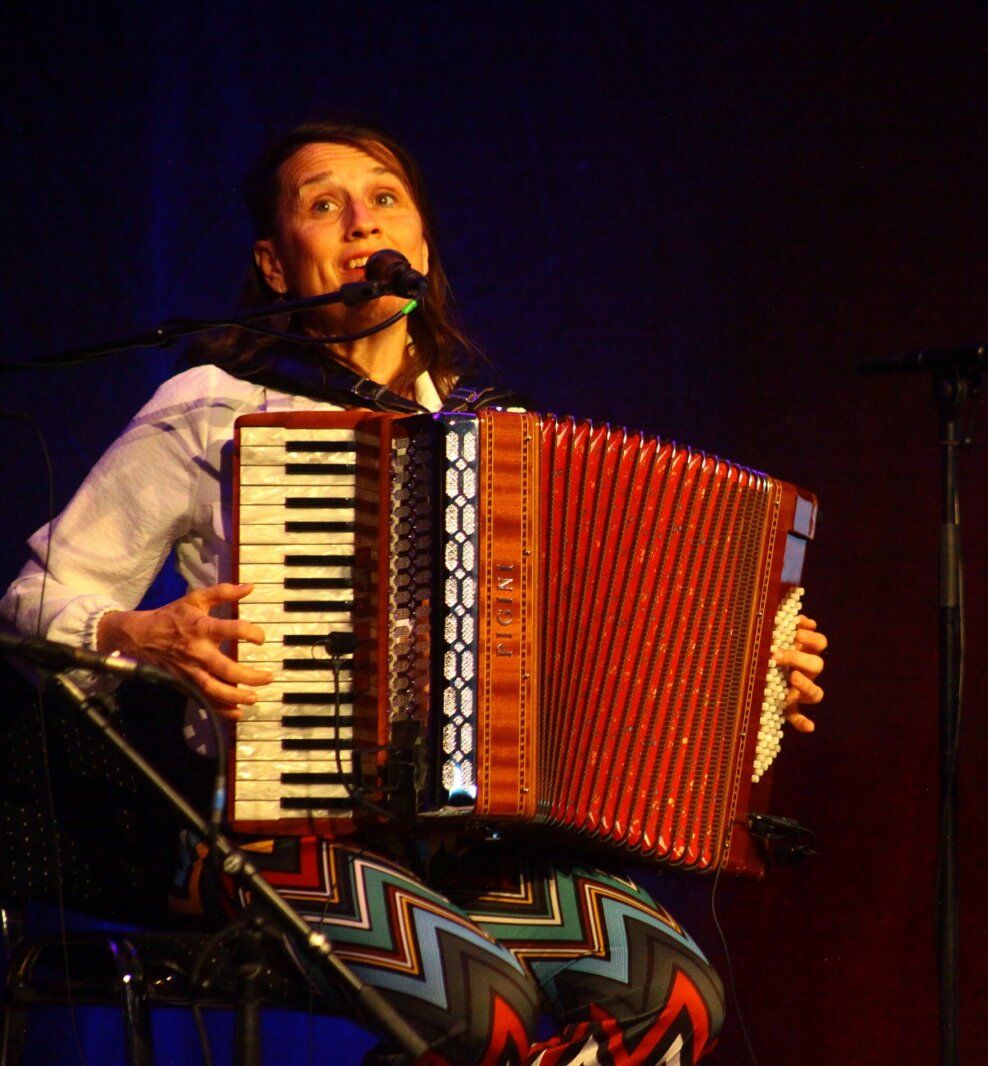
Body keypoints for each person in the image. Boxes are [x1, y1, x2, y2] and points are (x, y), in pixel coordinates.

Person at [0, 119, 828, 1066]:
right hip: (275, 828)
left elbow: (612, 652)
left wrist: (748, 675)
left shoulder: (495, 449)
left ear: (421, 248)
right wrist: (141, 632)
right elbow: (31, 605)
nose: (360, 222)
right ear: (275, 265)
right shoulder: (211, 408)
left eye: (384, 198)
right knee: (485, 1015)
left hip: (466, 833)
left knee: (674, 1003)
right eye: (324, 205)